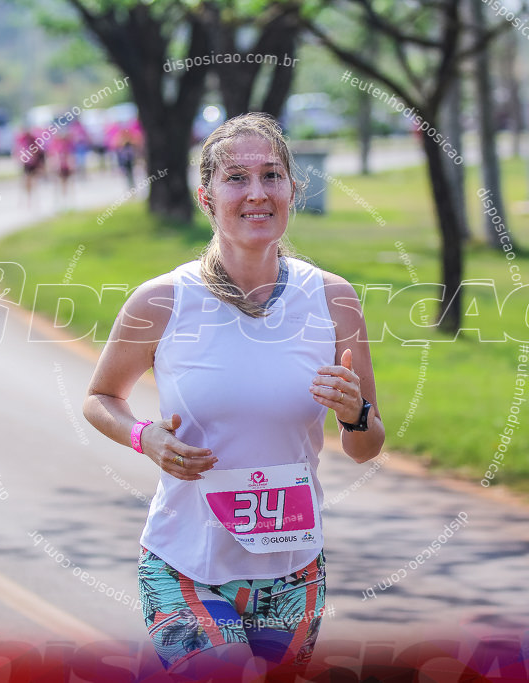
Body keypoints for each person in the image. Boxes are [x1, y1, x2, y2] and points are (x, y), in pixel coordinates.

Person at [83, 113, 385, 679]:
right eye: (236, 178)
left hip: (294, 567)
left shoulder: (334, 300)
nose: (256, 193)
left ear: (293, 190)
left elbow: (367, 446)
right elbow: (100, 397)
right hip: (184, 561)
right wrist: (145, 438)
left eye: (272, 176)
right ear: (206, 196)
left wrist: (356, 412)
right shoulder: (161, 301)